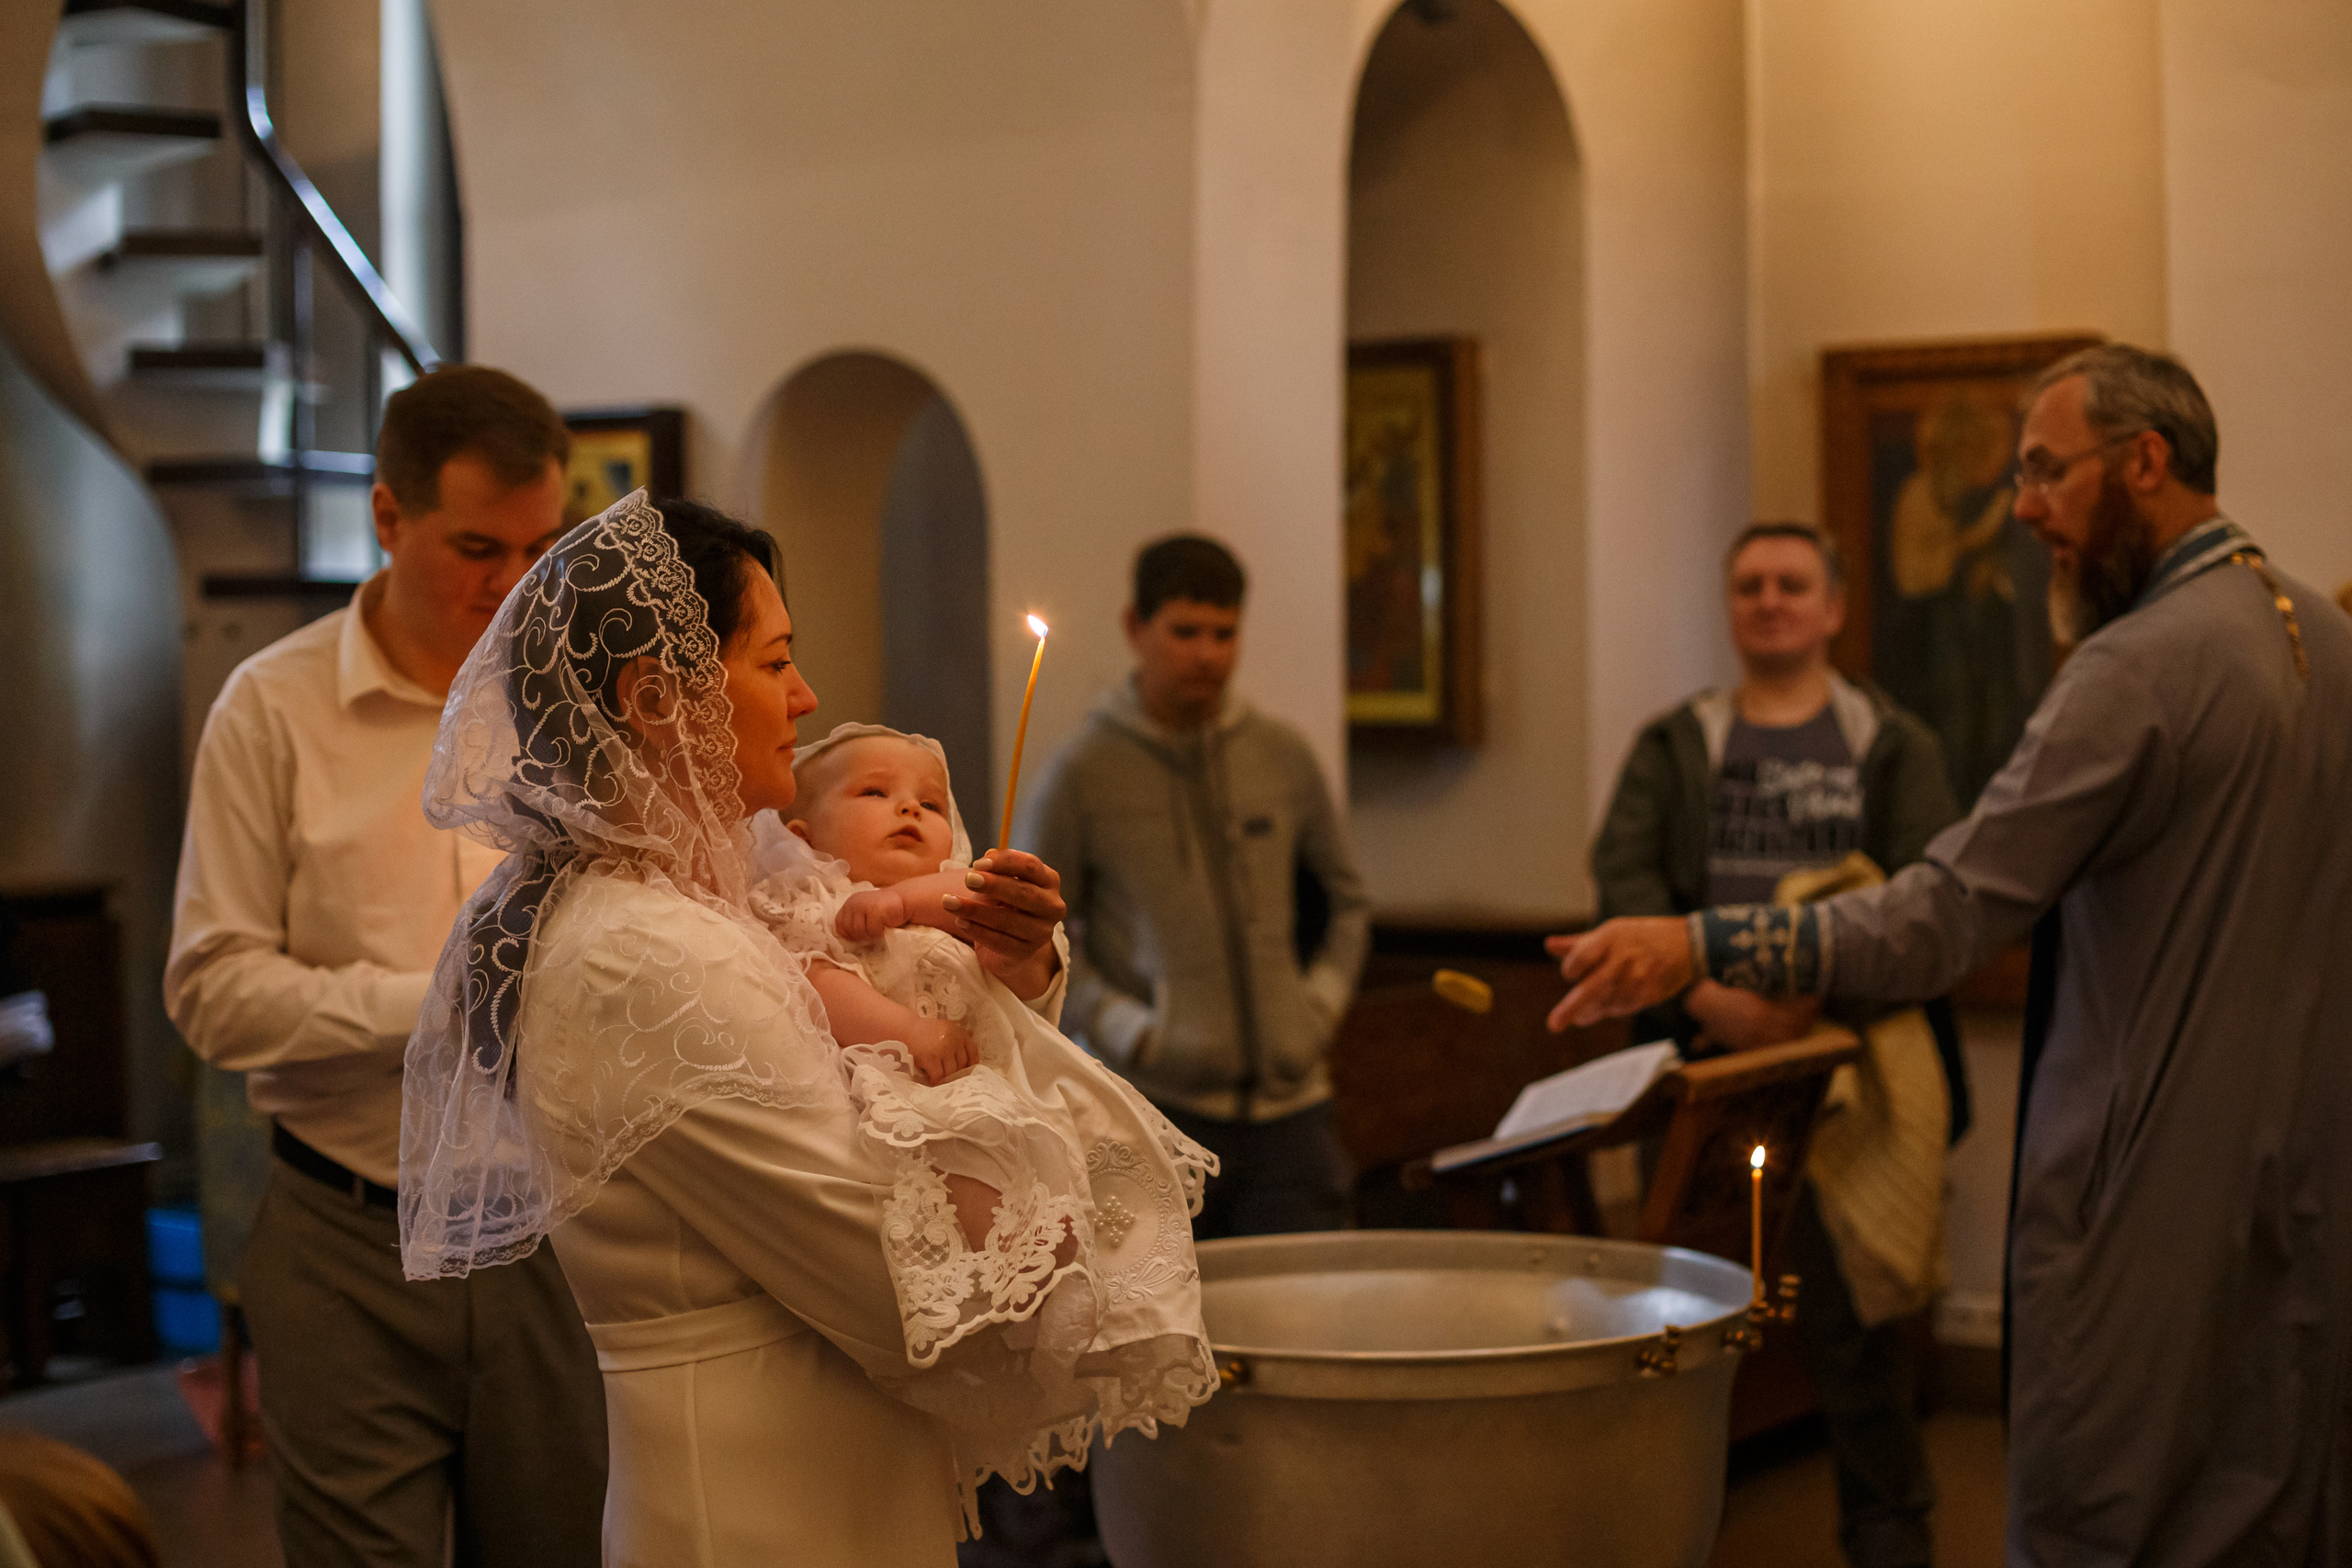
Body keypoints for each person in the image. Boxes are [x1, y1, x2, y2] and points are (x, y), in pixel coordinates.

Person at [1549, 344, 2352, 1563]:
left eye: (2045, 471)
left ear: (2144, 462)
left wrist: (1698, 939)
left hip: (2145, 1188)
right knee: (2269, 1494)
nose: (2022, 508)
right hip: (2300, 1173)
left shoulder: (2136, 662)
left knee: (2107, 1504)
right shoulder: (2325, 639)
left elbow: (1945, 910)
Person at [400, 493, 1214, 1566]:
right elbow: (907, 1282)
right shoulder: (639, 953)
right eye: (775, 663)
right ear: (656, 697)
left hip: (826, 1483)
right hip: (750, 1509)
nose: (807, 696)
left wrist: (999, 971)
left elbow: (878, 1045)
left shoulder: (717, 900)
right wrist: (1053, 1188)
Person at [164, 365, 605, 1564]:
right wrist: (437, 1007)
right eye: (476, 545)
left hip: (550, 1229)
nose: (512, 581)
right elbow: (208, 985)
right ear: (388, 516)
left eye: (539, 545)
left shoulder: (571, 703)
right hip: (348, 1230)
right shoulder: (273, 706)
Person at [1590, 520, 1959, 1568]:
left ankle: (1891, 1544)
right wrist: (1717, 1003)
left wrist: (1819, 1006)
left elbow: (1931, 904)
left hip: (1853, 1080)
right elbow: (1623, 885)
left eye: (1792, 583)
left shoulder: (1892, 742)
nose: (1769, 600)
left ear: (1834, 607)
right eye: (1748, 584)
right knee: (1673, 1335)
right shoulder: (1679, 743)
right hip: (1707, 1076)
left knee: (1862, 1345)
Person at [747, 722, 1216, 1359]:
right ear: (802, 835)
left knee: (1091, 1172)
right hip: (917, 1089)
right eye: (875, 793)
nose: (909, 808)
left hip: (1005, 1084)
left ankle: (1108, 1300)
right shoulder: (809, 903)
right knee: (967, 1192)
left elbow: (969, 903)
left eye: (931, 803)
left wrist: (901, 899)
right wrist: (910, 1030)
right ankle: (1006, 1300)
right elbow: (820, 985)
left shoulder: (944, 897)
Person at [1024, 534, 1371, 1240]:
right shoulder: (1084, 771)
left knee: (1303, 1317)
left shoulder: (1283, 755)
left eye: (1224, 633)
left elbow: (1348, 900)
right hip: (1157, 1105)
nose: (1207, 653)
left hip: (1294, 1110)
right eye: (1185, 631)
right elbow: (1033, 926)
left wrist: (1321, 1004)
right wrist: (1127, 1026)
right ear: (1136, 628)